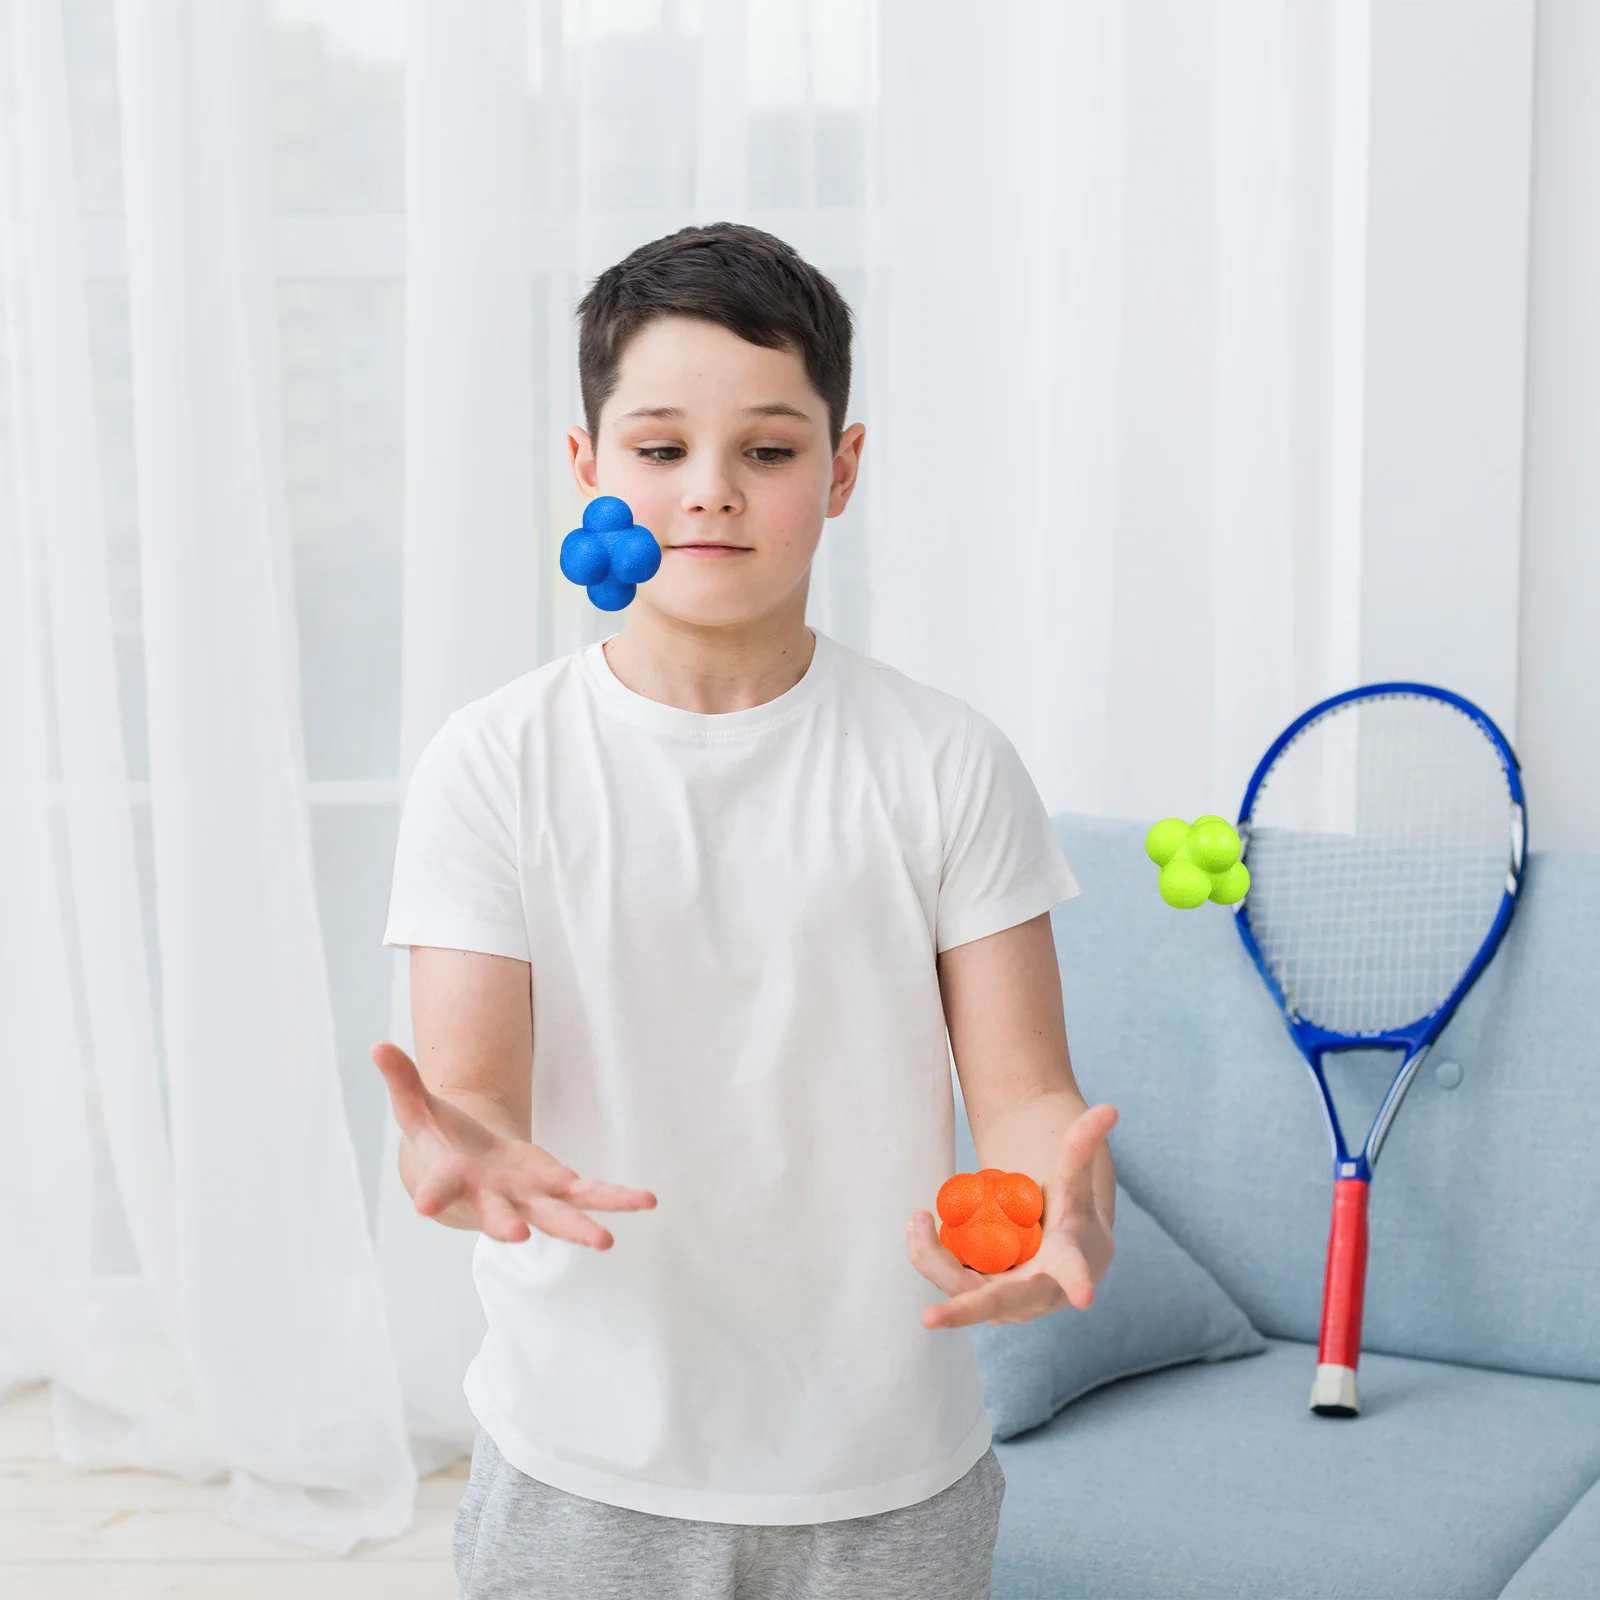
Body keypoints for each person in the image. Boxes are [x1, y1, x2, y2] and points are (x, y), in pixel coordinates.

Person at [371, 222, 1118, 1600]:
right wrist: (469, 1153)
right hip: (581, 1460)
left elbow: (1025, 1098)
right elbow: (475, 1093)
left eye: (768, 452)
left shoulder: (947, 761)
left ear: (841, 472)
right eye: (660, 451)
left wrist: (1060, 1206)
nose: (709, 491)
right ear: (589, 468)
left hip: (889, 1469)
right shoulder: (493, 762)